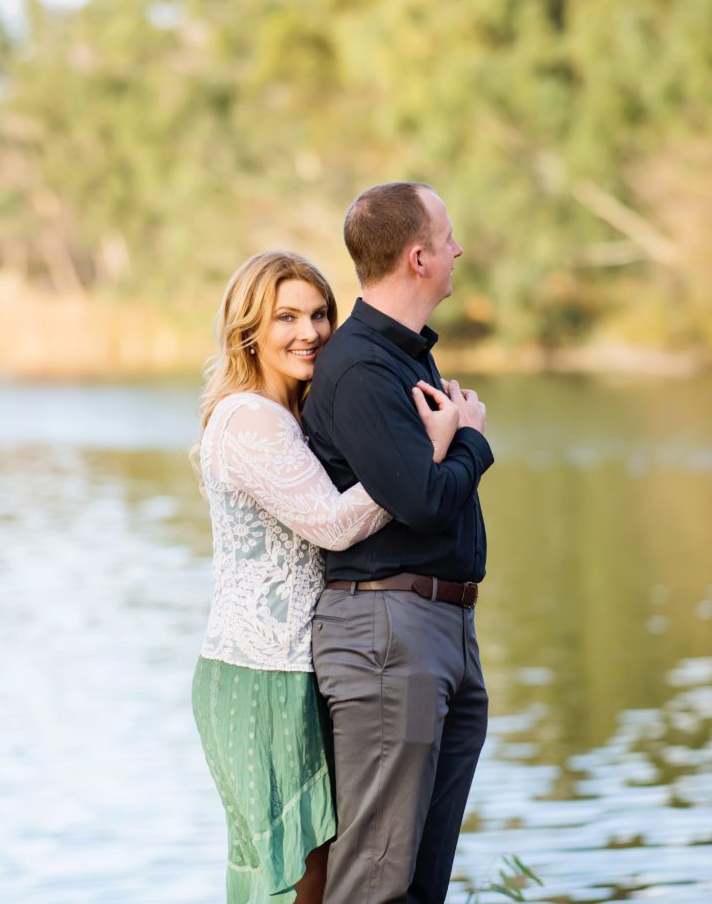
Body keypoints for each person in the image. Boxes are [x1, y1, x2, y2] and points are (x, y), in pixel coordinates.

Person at [192, 250, 461, 904]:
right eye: (286, 316)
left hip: (300, 668)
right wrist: (427, 452)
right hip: (260, 674)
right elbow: (335, 524)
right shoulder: (249, 417)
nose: (309, 331)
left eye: (319, 314)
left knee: (317, 871)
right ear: (249, 328)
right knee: (292, 877)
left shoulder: (293, 416)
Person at [302, 182, 494, 904]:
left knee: (418, 884)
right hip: (389, 630)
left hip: (441, 628)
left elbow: (427, 493)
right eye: (448, 237)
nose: (458, 249)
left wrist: (453, 448)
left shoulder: (404, 359)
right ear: (418, 257)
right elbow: (418, 500)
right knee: (374, 882)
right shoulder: (358, 369)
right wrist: (472, 440)